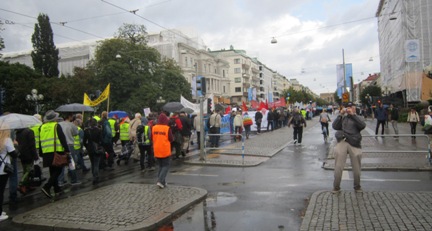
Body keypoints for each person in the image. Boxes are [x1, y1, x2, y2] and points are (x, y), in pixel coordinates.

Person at [332, 102, 366, 194]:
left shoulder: (358, 117)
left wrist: (353, 115)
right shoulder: (343, 117)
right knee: (338, 165)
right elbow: (334, 126)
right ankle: (336, 186)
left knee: (356, 167)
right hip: (343, 140)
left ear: (354, 108)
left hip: (354, 142)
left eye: (351, 107)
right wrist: (340, 115)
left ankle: (357, 186)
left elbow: (362, 125)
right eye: (347, 107)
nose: (349, 109)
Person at [40, 110, 70, 199]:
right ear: (54, 118)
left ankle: (57, 189)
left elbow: (41, 140)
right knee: (58, 170)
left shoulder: (42, 127)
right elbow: (62, 139)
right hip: (57, 151)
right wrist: (67, 150)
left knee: (52, 171)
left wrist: (41, 153)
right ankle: (47, 187)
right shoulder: (56, 126)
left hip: (46, 151)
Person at [58, 113, 81, 186]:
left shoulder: (59, 124)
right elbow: (76, 133)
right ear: (70, 117)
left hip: (60, 146)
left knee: (61, 163)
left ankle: (60, 181)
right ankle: (74, 180)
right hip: (69, 145)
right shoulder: (71, 125)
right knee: (71, 163)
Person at [152, 113, 174, 189]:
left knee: (161, 166)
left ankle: (163, 182)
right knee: (165, 166)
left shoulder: (154, 127)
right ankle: (160, 181)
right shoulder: (167, 128)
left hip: (156, 149)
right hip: (164, 149)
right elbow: (171, 139)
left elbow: (151, 137)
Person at [0, 125, 17, 221]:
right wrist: (16, 144)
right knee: (1, 191)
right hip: (3, 169)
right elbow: (14, 154)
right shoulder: (7, 140)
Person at [15, 127, 38, 195]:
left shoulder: (17, 132)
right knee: (28, 170)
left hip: (21, 153)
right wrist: (35, 156)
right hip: (29, 154)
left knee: (25, 169)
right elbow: (32, 145)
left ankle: (28, 185)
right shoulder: (29, 131)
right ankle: (22, 184)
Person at [83, 118, 103, 185]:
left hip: (90, 148)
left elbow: (84, 141)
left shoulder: (86, 131)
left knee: (92, 163)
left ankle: (94, 175)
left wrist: (87, 146)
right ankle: (96, 176)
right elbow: (101, 140)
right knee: (96, 163)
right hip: (97, 148)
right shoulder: (98, 130)